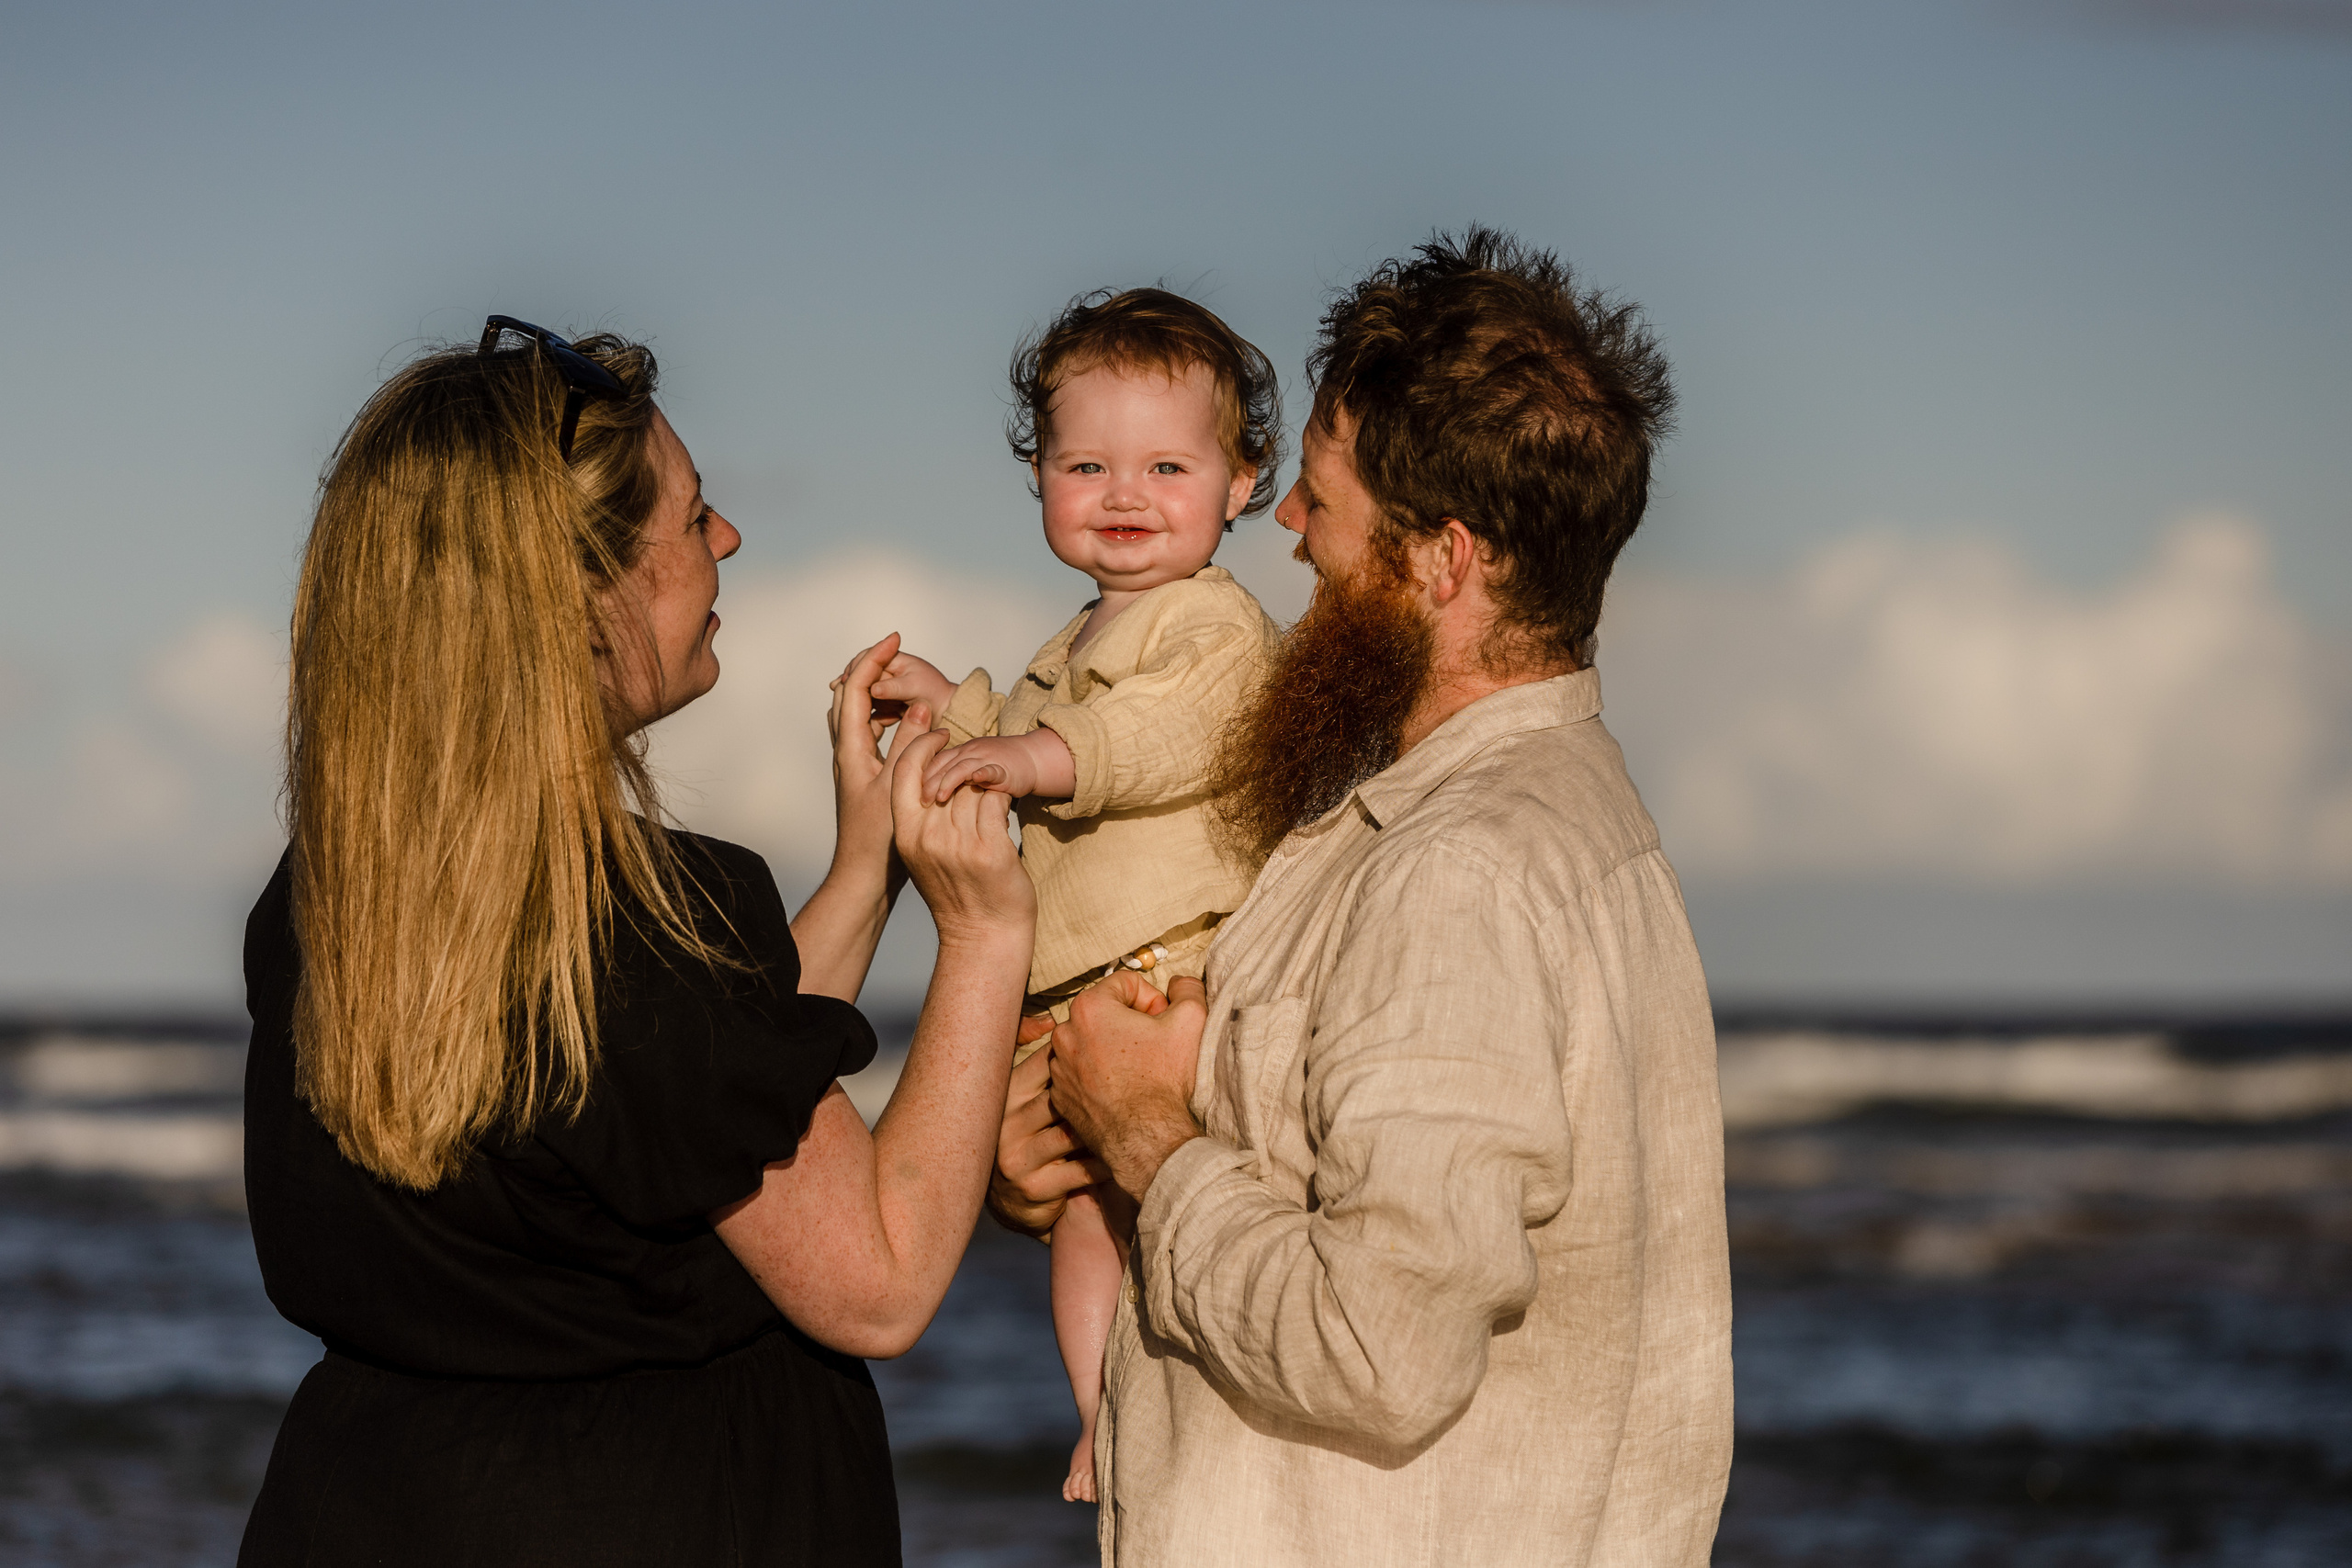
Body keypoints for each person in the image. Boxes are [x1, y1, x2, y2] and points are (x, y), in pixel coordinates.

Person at [237, 319, 1034, 1567]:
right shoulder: (639, 922)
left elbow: (684, 1097)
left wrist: (869, 865)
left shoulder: (332, 898)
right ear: (583, 594)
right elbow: (875, 1280)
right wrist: (986, 932)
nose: (726, 541)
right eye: (695, 517)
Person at [992, 230, 1736, 1566]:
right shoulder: (1542, 822)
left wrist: (1157, 1146)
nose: (1281, 528)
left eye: (1319, 504)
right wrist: (1077, 1137)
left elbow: (1378, 1348)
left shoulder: (1457, 873)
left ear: (1444, 562)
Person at [868, 288, 1282, 1502]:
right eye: (1085, 463)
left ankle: (1198, 1411)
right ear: (1039, 473)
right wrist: (962, 716)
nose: (1124, 495)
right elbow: (1051, 730)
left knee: (1164, 1205)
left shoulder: (1213, 628)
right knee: (1086, 1219)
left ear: (1242, 483)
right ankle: (1104, 1415)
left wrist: (1021, 758)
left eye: (1166, 465)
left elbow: (1144, 743)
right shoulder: (1078, 638)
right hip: (1076, 996)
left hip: (1173, 978)